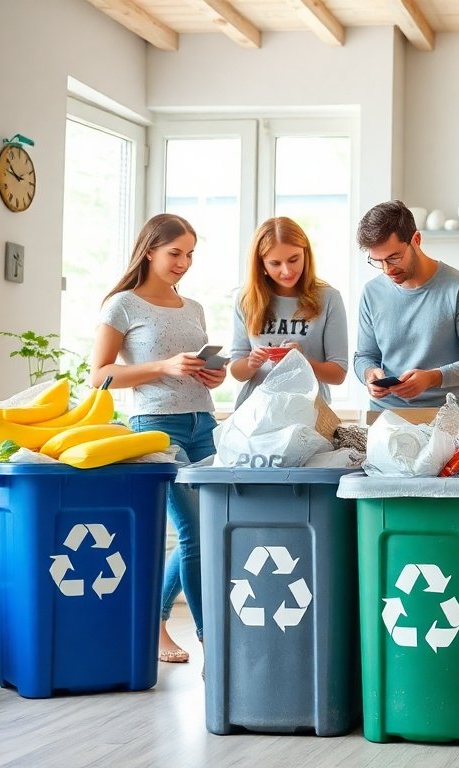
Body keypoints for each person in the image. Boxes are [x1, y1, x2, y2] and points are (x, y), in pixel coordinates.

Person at [91, 213, 225, 664]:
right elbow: (100, 377)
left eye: (190, 254)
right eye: (175, 253)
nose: (183, 263)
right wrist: (164, 366)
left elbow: (202, 376)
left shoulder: (194, 308)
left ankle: (156, 621)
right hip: (155, 428)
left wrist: (212, 374)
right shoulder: (122, 305)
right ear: (149, 250)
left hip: (204, 423)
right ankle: (214, 646)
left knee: (208, 531)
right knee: (194, 533)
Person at [353, 200, 459, 409]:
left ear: (416, 239)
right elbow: (364, 356)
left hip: (445, 416)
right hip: (385, 417)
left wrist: (433, 378)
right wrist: (369, 374)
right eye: (377, 261)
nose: (386, 269)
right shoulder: (372, 292)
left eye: (394, 257)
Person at [227, 217, 348, 406]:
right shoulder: (246, 299)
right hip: (256, 413)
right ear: (262, 265)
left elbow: (338, 373)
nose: (287, 271)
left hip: (307, 412)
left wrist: (302, 361)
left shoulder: (329, 298)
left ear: (305, 254)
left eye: (294, 259)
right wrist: (251, 362)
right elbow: (236, 371)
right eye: (275, 263)